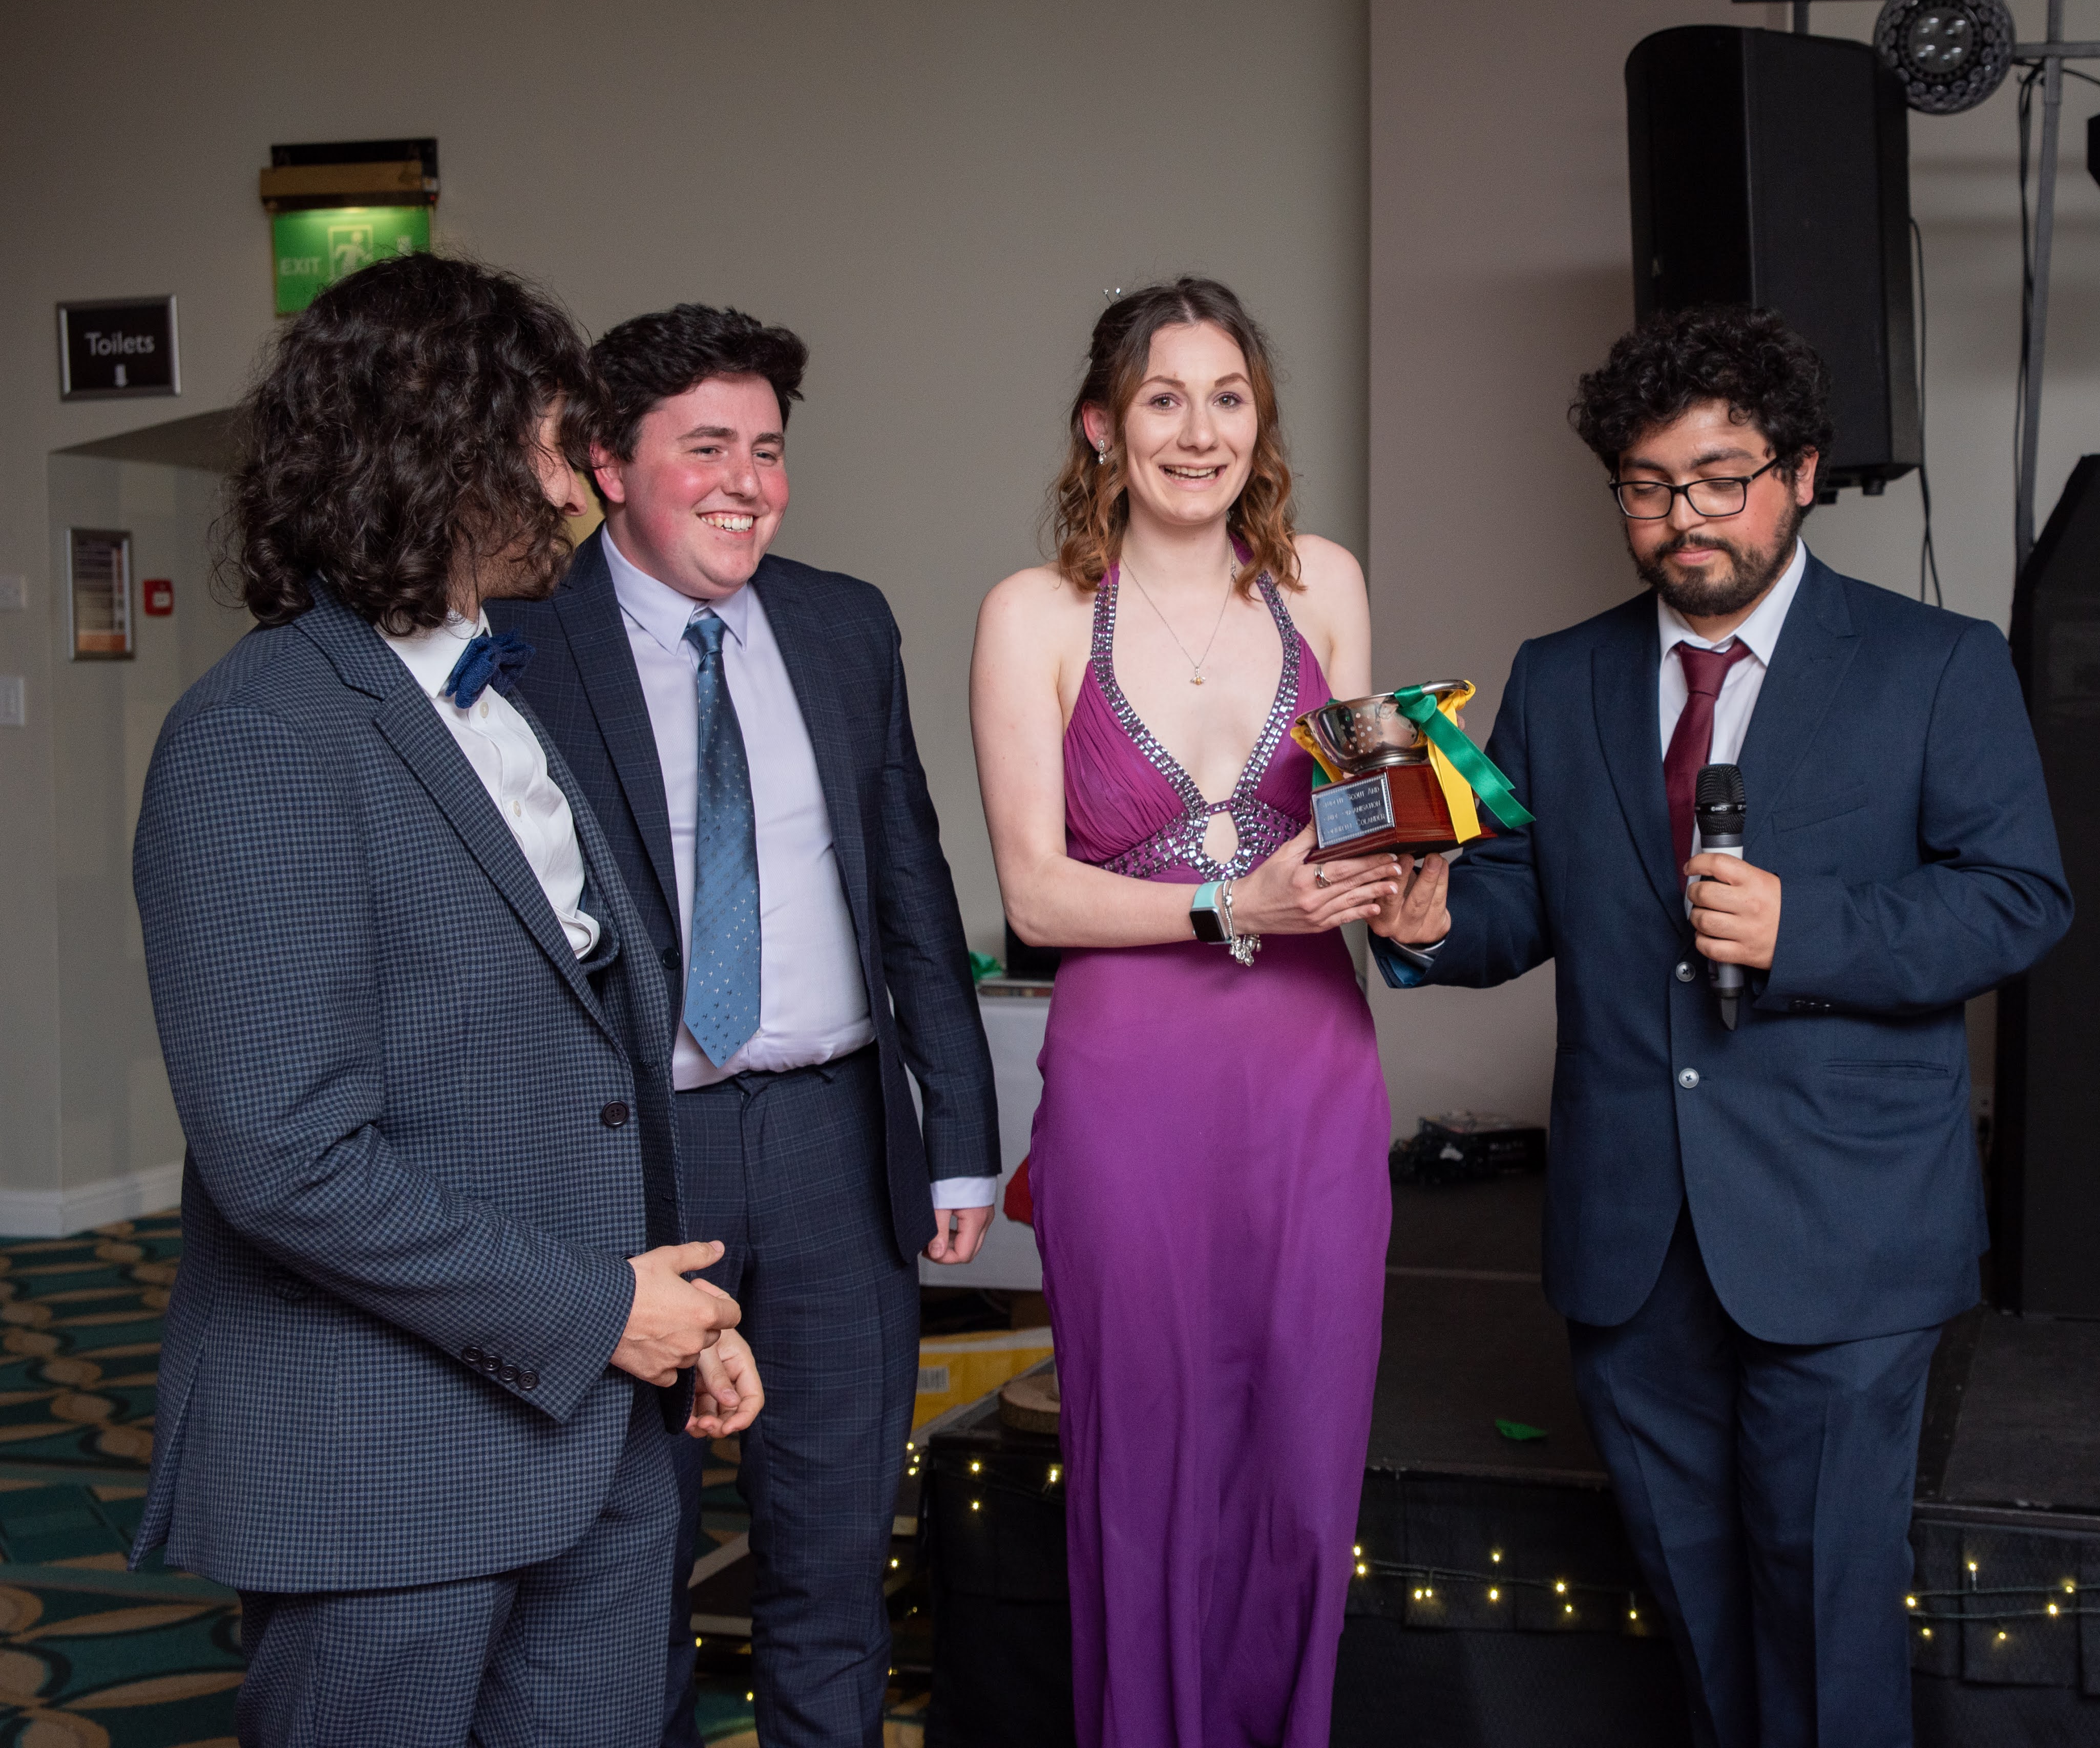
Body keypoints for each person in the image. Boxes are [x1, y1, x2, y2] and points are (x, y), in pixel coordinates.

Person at [1375, 306, 2073, 1748]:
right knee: (1696, 1625)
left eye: (1720, 478)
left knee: (1825, 1628)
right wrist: (1432, 922)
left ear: (1801, 473)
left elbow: (2018, 902)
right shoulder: (1559, 674)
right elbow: (1517, 901)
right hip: (1631, 1244)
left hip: (1848, 1233)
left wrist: (1803, 929)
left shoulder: (1938, 663)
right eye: (1647, 486)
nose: (1684, 517)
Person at [132, 253, 762, 1747]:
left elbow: (583, 1073)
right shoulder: (260, 737)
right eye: (555, 444)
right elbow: (286, 1158)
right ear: (443, 451)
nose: (583, 486)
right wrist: (602, 1311)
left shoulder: (499, 700)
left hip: (593, 1442)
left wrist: (676, 1320)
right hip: (383, 1462)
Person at [488, 302, 999, 1747]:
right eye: (706, 447)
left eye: (767, 450)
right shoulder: (520, 640)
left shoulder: (844, 623)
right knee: (623, 1574)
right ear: (607, 465)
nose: (747, 483)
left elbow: (911, 883)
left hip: (839, 1145)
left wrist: (959, 1128)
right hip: (632, 1157)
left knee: (835, 1566)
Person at [971, 278, 1399, 1748]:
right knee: (1146, 1459)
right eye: (1164, 398)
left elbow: (1364, 822)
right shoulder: (1033, 615)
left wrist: (1411, 874)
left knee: (1306, 1461)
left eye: (1229, 399)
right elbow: (1035, 896)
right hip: (1129, 1077)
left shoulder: (1324, 586)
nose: (1199, 431)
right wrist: (1234, 904)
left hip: (1312, 1070)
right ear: (1103, 425)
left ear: (1260, 424)